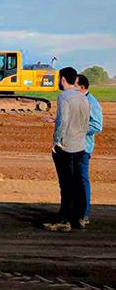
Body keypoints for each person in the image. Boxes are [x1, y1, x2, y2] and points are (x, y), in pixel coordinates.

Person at [43, 67, 90, 232]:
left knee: (66, 183)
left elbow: (63, 121)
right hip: (81, 145)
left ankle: (64, 220)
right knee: (78, 182)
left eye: (59, 79)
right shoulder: (83, 97)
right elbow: (86, 121)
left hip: (66, 146)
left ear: (63, 79)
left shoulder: (64, 97)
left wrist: (57, 140)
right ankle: (79, 217)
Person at [76, 74, 103, 228]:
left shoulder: (91, 102)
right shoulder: (79, 100)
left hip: (83, 147)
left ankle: (84, 214)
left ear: (82, 87)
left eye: (74, 85)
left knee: (82, 179)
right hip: (74, 146)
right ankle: (77, 212)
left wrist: (76, 128)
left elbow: (97, 126)